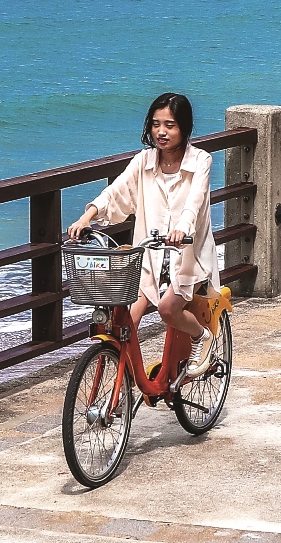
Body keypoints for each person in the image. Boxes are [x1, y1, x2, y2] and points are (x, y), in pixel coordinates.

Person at [67, 91, 214, 384]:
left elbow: (194, 205)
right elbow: (117, 191)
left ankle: (202, 336)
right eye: (156, 124)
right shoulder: (143, 161)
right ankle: (120, 392)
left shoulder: (200, 161)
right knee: (123, 323)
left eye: (170, 125)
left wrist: (182, 230)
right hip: (149, 256)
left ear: (184, 127)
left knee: (167, 309)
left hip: (187, 256)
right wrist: (88, 216)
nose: (161, 132)